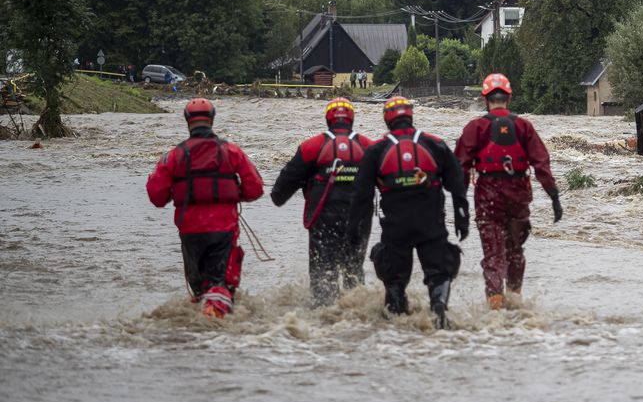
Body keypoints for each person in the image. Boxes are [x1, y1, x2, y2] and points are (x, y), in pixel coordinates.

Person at [347, 97, 468, 328]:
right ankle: (439, 309)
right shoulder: (435, 144)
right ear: (411, 116)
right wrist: (462, 218)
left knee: (394, 278)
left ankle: (397, 324)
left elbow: (361, 196)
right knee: (440, 274)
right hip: (431, 224)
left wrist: (354, 229)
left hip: (396, 228)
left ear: (387, 119)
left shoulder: (376, 150)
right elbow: (457, 185)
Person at [146, 98, 264, 318]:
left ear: (187, 121)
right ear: (211, 119)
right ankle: (216, 324)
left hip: (190, 232)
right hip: (223, 229)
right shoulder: (232, 151)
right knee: (220, 284)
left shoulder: (172, 156)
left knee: (200, 288)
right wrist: (232, 194)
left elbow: (156, 196)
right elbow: (255, 188)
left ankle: (201, 324)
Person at [455, 73, 561, 311]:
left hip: (488, 196)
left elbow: (460, 166)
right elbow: (541, 162)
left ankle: (495, 309)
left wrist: (459, 203)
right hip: (518, 196)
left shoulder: (476, 127)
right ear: (508, 98)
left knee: (493, 253)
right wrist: (554, 196)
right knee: (515, 251)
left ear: (486, 99)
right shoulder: (524, 126)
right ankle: (515, 301)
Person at [271, 98, 374, 306]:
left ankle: (324, 316)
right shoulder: (369, 147)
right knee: (353, 269)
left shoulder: (312, 147)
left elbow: (279, 193)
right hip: (359, 220)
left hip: (322, 221)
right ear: (351, 119)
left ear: (328, 119)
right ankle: (357, 314)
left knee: (322, 271)